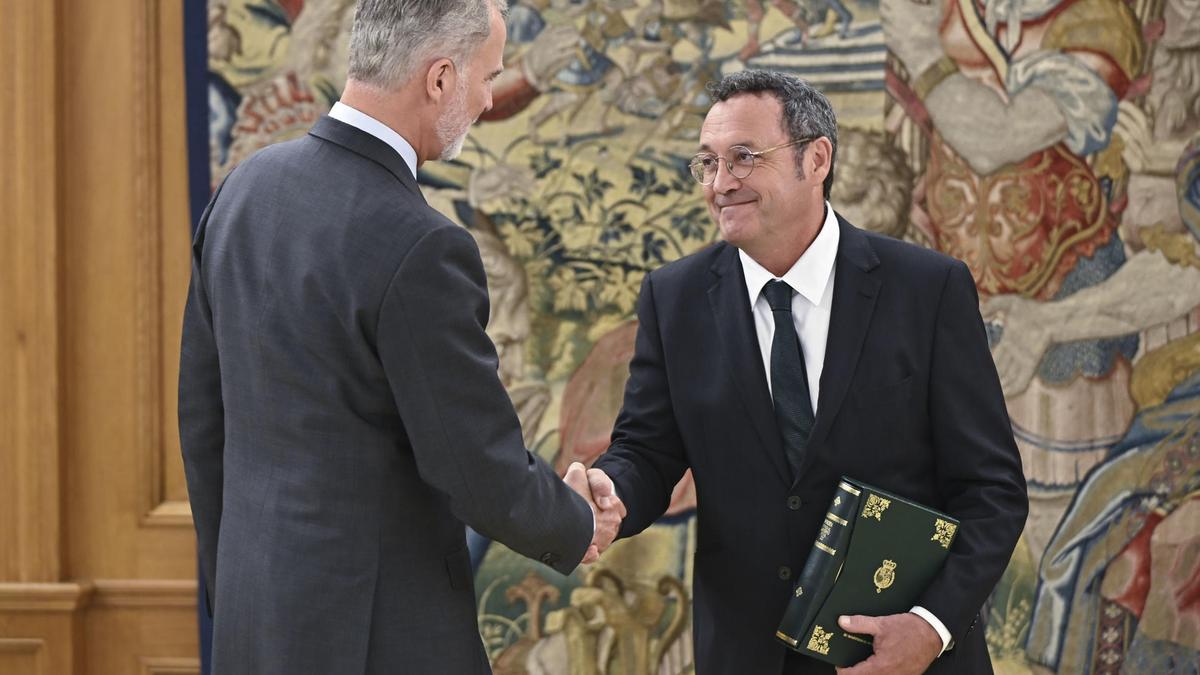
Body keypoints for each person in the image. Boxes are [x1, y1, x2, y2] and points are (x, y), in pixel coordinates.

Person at [178, 0, 623, 672]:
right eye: (486, 77)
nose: (484, 99)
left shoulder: (242, 191)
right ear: (439, 78)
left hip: (255, 622)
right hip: (376, 639)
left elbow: (202, 420)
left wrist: (236, 582)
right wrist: (578, 520)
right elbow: (476, 467)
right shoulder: (422, 245)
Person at [587, 70, 1028, 674]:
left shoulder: (928, 290)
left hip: (904, 657)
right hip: (748, 655)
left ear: (816, 159)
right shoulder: (674, 298)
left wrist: (931, 627)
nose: (720, 184)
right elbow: (648, 451)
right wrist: (611, 495)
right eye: (707, 163)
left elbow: (992, 491)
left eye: (743, 158)